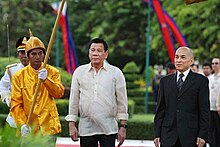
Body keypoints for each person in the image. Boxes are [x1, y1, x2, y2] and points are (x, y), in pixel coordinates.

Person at [65, 38, 128, 147]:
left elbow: (122, 101)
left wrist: (123, 126)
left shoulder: (116, 73)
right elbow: (74, 100)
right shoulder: (79, 72)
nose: (95, 53)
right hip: (86, 128)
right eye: (92, 50)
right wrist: (72, 124)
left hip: (108, 128)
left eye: (99, 51)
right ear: (89, 53)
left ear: (106, 54)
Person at [10, 34, 64, 139]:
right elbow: (16, 104)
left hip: (49, 127)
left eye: (40, 53)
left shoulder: (53, 72)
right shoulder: (18, 76)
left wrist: (46, 80)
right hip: (29, 129)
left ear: (44, 54)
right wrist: (22, 124)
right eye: (33, 54)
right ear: (28, 56)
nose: (37, 57)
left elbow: (59, 93)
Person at [154, 46, 210, 147]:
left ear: (191, 61)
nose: (179, 60)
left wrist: (203, 134)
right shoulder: (165, 81)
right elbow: (160, 110)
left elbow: (204, 110)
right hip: (168, 136)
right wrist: (157, 133)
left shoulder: (201, 81)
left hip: (191, 137)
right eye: (176, 57)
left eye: (183, 57)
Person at [0, 36, 29, 128]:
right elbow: (3, 86)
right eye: (22, 52)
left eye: (28, 52)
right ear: (17, 54)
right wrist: (7, 98)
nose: (25, 56)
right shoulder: (11, 70)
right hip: (15, 115)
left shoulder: (41, 71)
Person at [208, 57, 220, 147]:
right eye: (213, 63)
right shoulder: (209, 78)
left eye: (216, 63)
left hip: (218, 108)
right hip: (210, 108)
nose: (214, 65)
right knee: (211, 130)